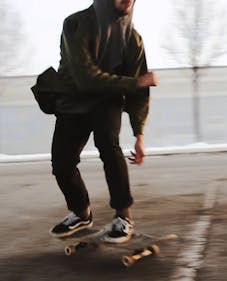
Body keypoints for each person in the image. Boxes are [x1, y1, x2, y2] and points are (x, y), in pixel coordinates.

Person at [48, 0, 158, 243]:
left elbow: (140, 91)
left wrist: (139, 135)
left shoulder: (132, 39)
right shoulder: (76, 24)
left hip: (106, 101)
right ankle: (81, 212)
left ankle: (123, 216)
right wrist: (133, 83)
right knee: (62, 163)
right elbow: (85, 77)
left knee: (109, 146)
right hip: (74, 98)